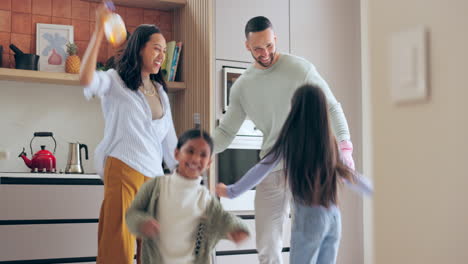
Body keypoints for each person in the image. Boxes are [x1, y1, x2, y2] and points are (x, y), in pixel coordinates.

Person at [213, 16, 355, 264]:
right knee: (267, 244)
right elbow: (226, 132)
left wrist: (345, 147)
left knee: (311, 239)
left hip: (305, 168)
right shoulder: (243, 87)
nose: (265, 53)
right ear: (247, 46)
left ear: (275, 39)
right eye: (258, 48)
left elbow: (332, 106)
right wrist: (204, 150)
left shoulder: (300, 69)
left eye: (269, 45)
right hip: (272, 168)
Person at [217, 84, 373, 264]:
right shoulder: (329, 140)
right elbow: (349, 175)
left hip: (310, 218)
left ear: (295, 109)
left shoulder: (291, 139)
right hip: (334, 218)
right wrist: (377, 192)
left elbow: (263, 167)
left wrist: (232, 191)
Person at [79, 3, 178, 264]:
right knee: (118, 251)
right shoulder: (114, 81)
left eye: (164, 51)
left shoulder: (161, 92)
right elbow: (86, 79)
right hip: (123, 170)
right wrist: (99, 32)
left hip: (154, 179)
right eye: (156, 48)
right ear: (139, 48)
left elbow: (170, 145)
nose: (161, 56)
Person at [126, 129, 250, 264]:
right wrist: (141, 223)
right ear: (176, 153)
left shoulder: (206, 200)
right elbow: (132, 213)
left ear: (209, 163)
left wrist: (237, 228)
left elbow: (225, 219)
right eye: (190, 151)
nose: (196, 158)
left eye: (203, 155)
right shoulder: (155, 186)